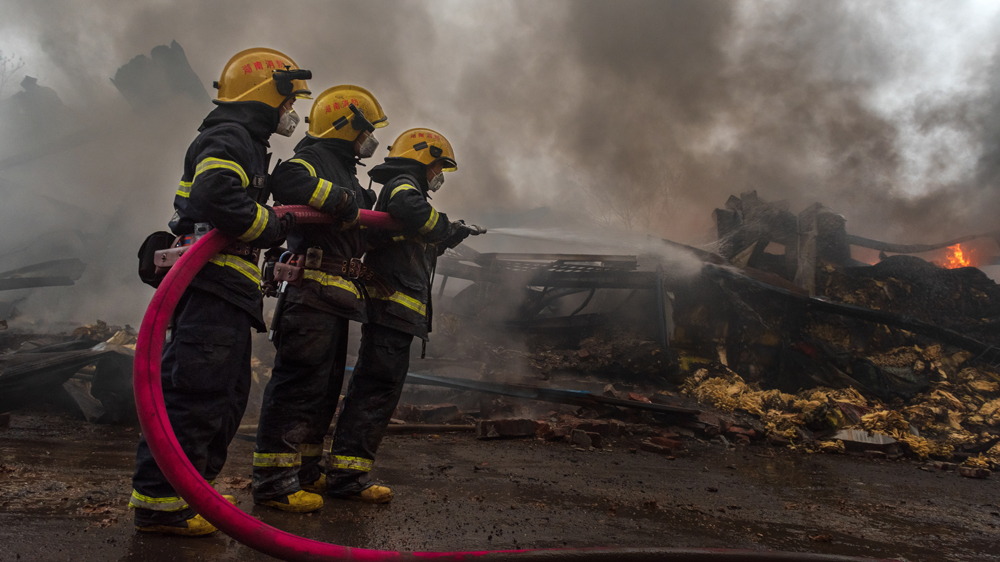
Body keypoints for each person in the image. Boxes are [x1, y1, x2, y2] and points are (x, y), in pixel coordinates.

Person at [130, 48, 311, 536]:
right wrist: (271, 225)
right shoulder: (229, 136)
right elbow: (215, 195)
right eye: (288, 101)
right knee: (196, 394)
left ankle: (192, 491)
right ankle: (161, 504)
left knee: (226, 395)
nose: (291, 113)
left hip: (226, 290)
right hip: (210, 286)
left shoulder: (245, 141)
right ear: (265, 97)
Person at [252, 86, 389, 511]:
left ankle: (305, 474)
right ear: (345, 125)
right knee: (297, 386)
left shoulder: (345, 167)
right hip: (309, 296)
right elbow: (288, 180)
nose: (370, 138)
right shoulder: (313, 158)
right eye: (366, 129)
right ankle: (273, 482)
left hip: (333, 300)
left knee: (323, 389)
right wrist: (343, 200)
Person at [325, 128, 472, 502]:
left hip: (394, 314)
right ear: (424, 159)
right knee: (375, 390)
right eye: (438, 166)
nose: (439, 174)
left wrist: (445, 237)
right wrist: (445, 226)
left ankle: (346, 473)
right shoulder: (405, 184)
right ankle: (345, 478)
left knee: (376, 390)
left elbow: (408, 234)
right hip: (392, 311)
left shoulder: (403, 187)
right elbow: (410, 209)